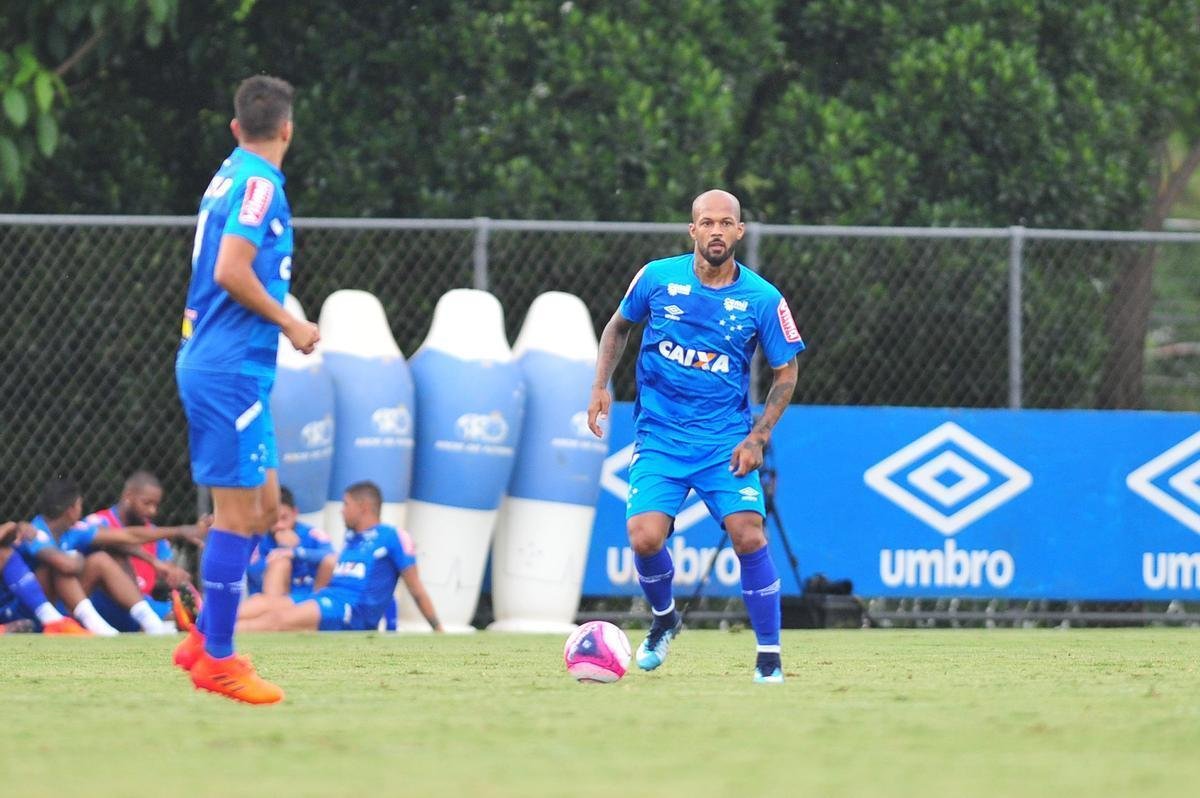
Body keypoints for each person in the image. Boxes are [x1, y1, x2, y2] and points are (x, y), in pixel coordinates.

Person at [586, 189, 805, 684]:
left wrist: (758, 437)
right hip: (660, 435)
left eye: (726, 223)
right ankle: (665, 620)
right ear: (693, 230)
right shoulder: (656, 277)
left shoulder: (763, 299)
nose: (716, 231)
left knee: (749, 533)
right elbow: (617, 328)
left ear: (739, 231)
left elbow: (786, 371)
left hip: (723, 440)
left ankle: (769, 657)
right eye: (707, 223)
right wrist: (600, 386)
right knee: (644, 538)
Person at [172, 74, 319, 704]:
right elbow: (232, 268)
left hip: (238, 369)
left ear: (237, 128)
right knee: (237, 517)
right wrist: (291, 322)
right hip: (228, 369)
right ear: (287, 128)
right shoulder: (260, 185)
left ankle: (204, 639)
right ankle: (219, 661)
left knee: (261, 509)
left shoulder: (230, 174)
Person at [202, 481, 441, 634]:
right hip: (327, 596)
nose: (342, 510)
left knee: (278, 619)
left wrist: (437, 628)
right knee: (265, 603)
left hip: (350, 610)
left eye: (346, 504)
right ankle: (202, 624)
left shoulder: (393, 536)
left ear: (364, 507)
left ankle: (212, 637)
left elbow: (415, 587)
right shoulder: (352, 539)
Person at [18, 479, 205, 635]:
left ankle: (151, 624)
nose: (152, 511)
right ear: (72, 508)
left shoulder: (73, 531)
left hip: (80, 604)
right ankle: (101, 627)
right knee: (60, 566)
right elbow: (67, 565)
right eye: (147, 503)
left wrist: (159, 553)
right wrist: (79, 558)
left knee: (100, 558)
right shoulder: (35, 532)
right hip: (32, 611)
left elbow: (125, 537)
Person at [86, 470, 198, 630]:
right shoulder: (99, 521)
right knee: (110, 552)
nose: (152, 511)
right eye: (146, 503)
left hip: (144, 603)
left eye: (156, 505)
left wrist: (176, 576)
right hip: (106, 603)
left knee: (194, 611)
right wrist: (154, 560)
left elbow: (166, 566)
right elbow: (120, 539)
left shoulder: (154, 534)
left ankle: (164, 625)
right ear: (128, 496)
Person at [0, 520, 90, 635]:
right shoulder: (41, 525)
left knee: (50, 566)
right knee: (2, 553)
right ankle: (54, 621)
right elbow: (69, 565)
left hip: (17, 601)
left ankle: (53, 620)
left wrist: (14, 528)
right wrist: (8, 527)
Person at [245, 485, 333, 601]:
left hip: (309, 599)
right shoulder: (258, 538)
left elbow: (332, 558)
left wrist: (296, 552)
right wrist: (282, 550)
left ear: (295, 512)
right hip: (270, 599)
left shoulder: (313, 534)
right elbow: (253, 572)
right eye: (273, 520)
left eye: (284, 518)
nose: (279, 525)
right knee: (281, 563)